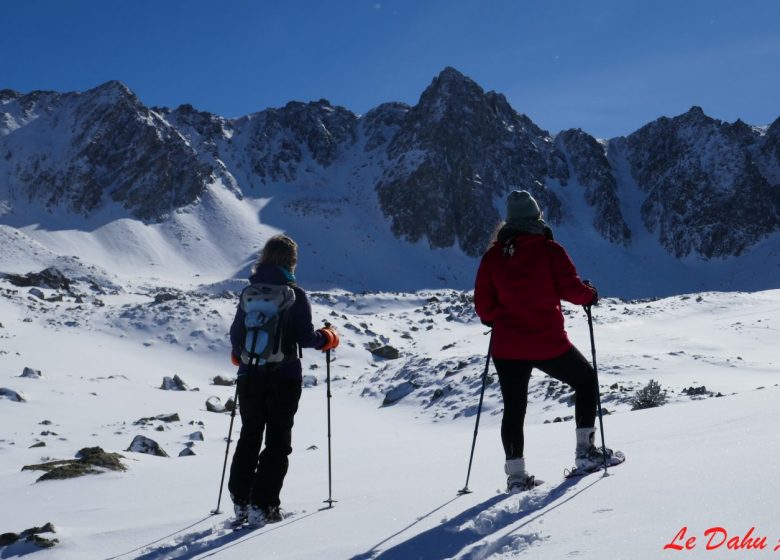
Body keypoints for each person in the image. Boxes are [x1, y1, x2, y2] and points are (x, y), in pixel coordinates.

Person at [474, 190, 619, 491]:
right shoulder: (550, 250)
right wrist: (590, 294)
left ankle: (516, 477)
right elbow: (572, 290)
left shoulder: (493, 257)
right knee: (585, 380)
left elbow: (484, 309)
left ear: (509, 223)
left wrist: (497, 317)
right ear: (537, 218)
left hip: (507, 346)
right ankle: (585, 453)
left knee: (514, 408)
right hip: (547, 342)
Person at [227, 234, 339, 526]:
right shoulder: (295, 294)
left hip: (249, 376)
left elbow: (236, 335)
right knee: (277, 442)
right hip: (284, 377)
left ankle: (241, 500)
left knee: (248, 436)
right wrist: (327, 338)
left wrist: (242, 355)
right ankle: (263, 506)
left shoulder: (249, 293)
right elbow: (304, 337)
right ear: (291, 261)